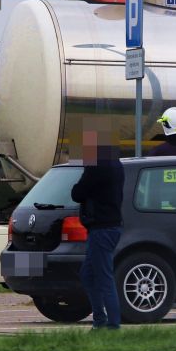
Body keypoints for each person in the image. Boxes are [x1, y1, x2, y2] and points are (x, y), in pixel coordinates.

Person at [69, 123, 125, 330]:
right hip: (109, 227)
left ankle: (112, 325)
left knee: (103, 277)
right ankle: (100, 321)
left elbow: (77, 193)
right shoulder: (115, 164)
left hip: (102, 228)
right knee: (89, 275)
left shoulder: (97, 166)